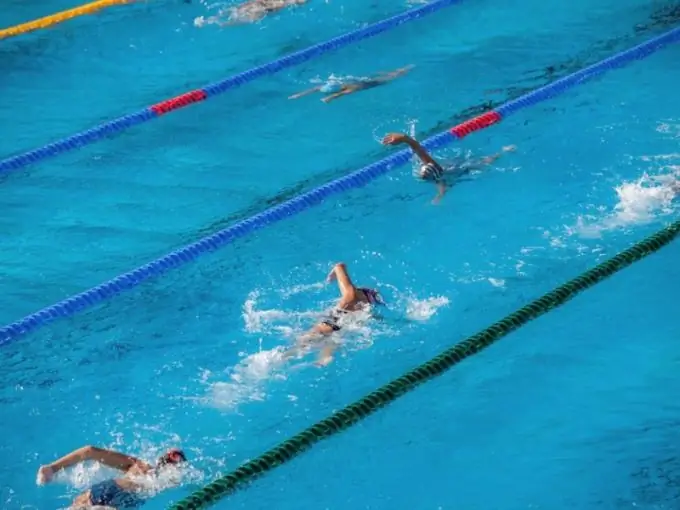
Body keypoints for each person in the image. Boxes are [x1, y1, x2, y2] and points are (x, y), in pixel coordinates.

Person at [285, 263, 384, 366]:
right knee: (333, 341)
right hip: (342, 328)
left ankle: (281, 357)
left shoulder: (351, 294)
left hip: (329, 323)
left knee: (299, 345)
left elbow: (340, 266)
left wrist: (333, 273)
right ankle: (324, 359)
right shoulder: (364, 307)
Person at [36, 445, 187, 509]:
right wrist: (52, 468)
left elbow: (90, 451)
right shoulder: (139, 466)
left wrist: (52, 468)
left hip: (105, 493)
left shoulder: (137, 466)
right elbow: (90, 451)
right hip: (112, 495)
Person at [381, 132, 516, 203]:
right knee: (483, 161)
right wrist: (404, 138)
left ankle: (503, 152)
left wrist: (437, 198)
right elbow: (417, 147)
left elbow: (442, 189)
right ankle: (503, 151)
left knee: (483, 162)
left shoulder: (437, 174)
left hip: (461, 169)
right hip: (455, 166)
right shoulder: (433, 168)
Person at [289, 66, 414, 103]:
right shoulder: (344, 84)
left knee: (388, 79)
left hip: (371, 84)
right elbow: (314, 89)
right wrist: (299, 95)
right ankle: (401, 69)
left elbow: (341, 94)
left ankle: (405, 70)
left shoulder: (351, 88)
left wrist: (330, 98)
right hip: (363, 81)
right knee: (386, 75)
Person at [195, 0, 306, 26]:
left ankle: (207, 21)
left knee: (236, 12)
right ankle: (210, 22)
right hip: (265, 7)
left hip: (262, 5)